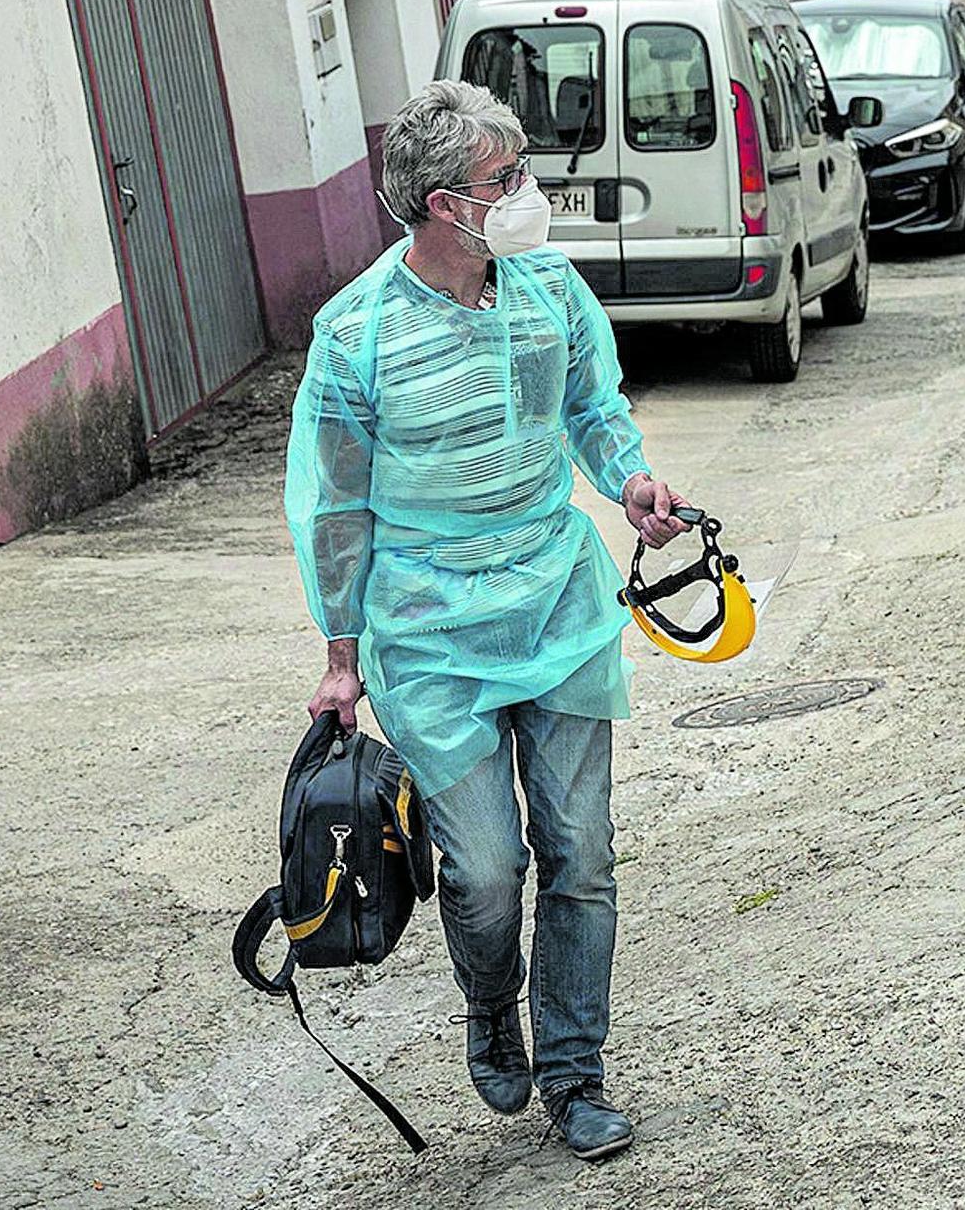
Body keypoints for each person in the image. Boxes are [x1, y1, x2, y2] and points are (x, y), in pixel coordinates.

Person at [286, 80, 691, 1158]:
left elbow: (592, 409)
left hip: (557, 603)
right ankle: (487, 998)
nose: (527, 193)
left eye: (522, 171)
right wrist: (342, 653)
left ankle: (573, 1072)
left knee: (582, 852)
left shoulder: (548, 287)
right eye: (502, 179)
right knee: (484, 869)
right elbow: (334, 505)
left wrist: (631, 484)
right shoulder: (356, 336)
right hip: (428, 634)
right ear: (439, 204)